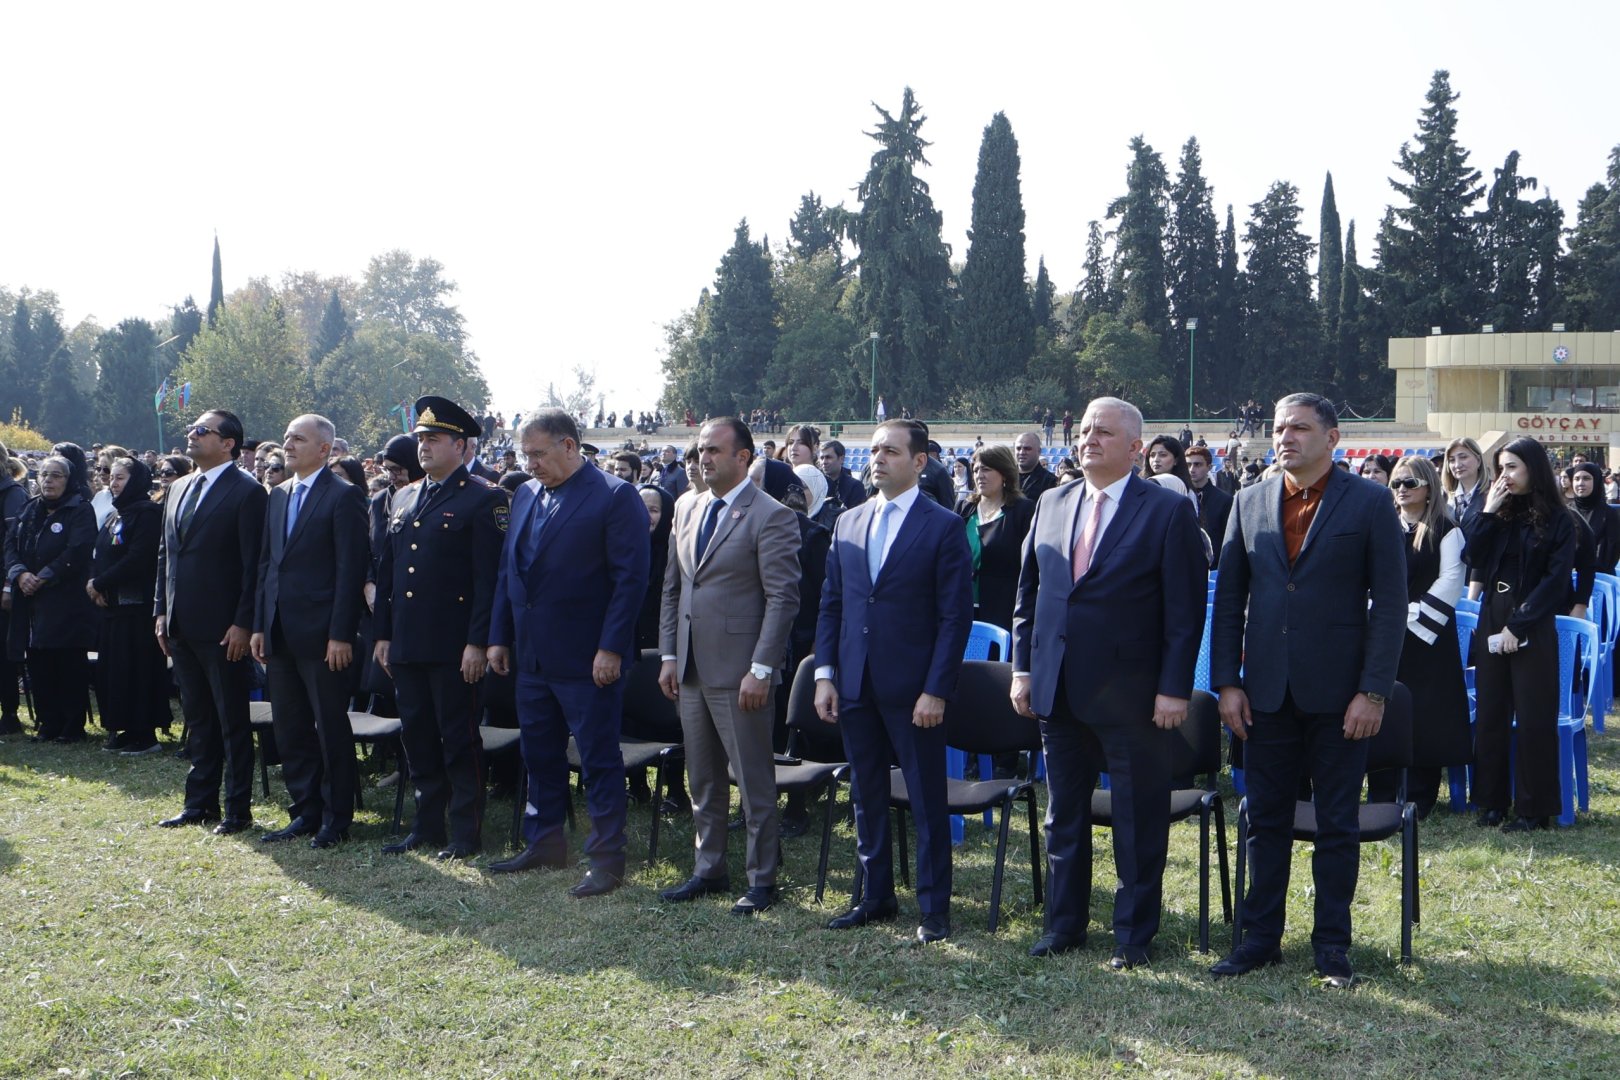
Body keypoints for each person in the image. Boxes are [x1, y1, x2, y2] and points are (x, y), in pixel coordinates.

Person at [1208, 393, 1406, 989]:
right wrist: (1226, 684)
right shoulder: (1249, 502)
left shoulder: (1370, 503)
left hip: (1341, 697)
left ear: (1333, 436)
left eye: (1298, 428)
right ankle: (1259, 940)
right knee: (1264, 819)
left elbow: (1391, 605)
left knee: (1336, 824)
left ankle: (1331, 948)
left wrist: (1373, 693)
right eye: (1278, 428)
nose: (1285, 437)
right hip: (1264, 694)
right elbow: (1230, 605)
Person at [1010, 399, 1204, 967]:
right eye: (1086, 429)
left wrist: (1174, 688)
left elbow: (1184, 612)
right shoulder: (1051, 501)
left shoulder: (1166, 512)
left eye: (1105, 432)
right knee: (1063, 813)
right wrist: (1023, 668)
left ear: (1136, 448)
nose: (1089, 438)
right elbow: (1028, 597)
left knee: (1137, 818)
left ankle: (1132, 935)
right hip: (1058, 688)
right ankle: (1063, 925)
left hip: (1134, 695)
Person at [815, 418, 973, 944]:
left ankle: (933, 909)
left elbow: (955, 619)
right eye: (874, 450)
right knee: (866, 795)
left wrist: (936, 689)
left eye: (891, 451)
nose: (878, 458)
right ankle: (874, 895)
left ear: (920, 461)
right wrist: (825, 674)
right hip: (855, 681)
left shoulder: (943, 525)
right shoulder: (849, 521)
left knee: (927, 800)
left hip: (914, 692)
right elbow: (832, 604)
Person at [485, 408, 648, 896]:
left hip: (588, 658)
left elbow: (629, 582)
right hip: (533, 655)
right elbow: (508, 573)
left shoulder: (615, 497)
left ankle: (606, 859)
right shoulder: (526, 495)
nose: (530, 464)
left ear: (570, 446)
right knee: (539, 753)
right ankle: (545, 841)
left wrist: (611, 648)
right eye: (524, 454)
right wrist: (499, 635)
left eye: (538, 453)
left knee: (597, 758)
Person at [656, 419, 799, 915]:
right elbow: (674, 589)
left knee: (753, 779)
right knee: (704, 779)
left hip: (742, 672)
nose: (703, 459)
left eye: (714, 450)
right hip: (692, 667)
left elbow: (782, 599)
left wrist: (762, 668)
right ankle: (708, 868)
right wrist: (670, 654)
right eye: (700, 450)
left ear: (743, 457)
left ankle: (763, 879)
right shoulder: (686, 507)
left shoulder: (771, 515)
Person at [373, 397, 507, 860]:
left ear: (461, 446)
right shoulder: (404, 495)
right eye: (421, 440)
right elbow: (389, 574)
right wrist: (384, 635)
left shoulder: (485, 498)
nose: (424, 448)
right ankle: (425, 825)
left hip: (454, 645)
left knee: (458, 740)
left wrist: (477, 641)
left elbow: (487, 581)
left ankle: (464, 832)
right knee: (418, 737)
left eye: (433, 440)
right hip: (408, 642)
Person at [251, 415, 369, 849]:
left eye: (298, 439)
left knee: (329, 726)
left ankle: (336, 817)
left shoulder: (344, 496)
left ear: (324, 448)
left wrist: (341, 634)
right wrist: (262, 625)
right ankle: (304, 811)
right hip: (280, 630)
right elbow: (268, 564)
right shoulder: (278, 494)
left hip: (323, 636)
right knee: (290, 726)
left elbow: (349, 570)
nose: (288, 445)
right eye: (285, 437)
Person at [155, 411, 269, 834]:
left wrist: (243, 623)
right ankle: (199, 803)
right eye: (193, 429)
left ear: (228, 443)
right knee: (198, 719)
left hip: (224, 629)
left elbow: (252, 565)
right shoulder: (180, 486)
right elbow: (166, 555)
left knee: (231, 720)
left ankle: (237, 809)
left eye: (202, 430)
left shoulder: (248, 491)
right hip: (181, 623)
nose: (192, 434)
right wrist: (161, 612)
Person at [1465, 437, 1576, 833]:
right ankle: (1490, 802)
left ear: (1532, 467)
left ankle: (1534, 809)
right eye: (1501, 467)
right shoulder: (1497, 510)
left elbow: (1556, 581)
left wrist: (1520, 624)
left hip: (1532, 620)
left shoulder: (1559, 519)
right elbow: (1470, 556)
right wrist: (1489, 512)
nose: (1505, 475)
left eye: (1512, 466)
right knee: (1491, 714)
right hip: (1492, 616)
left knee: (1533, 717)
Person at [1362, 456, 1470, 818]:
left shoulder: (1447, 528)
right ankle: (1381, 790)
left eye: (1410, 483)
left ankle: (1421, 795)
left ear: (1428, 487)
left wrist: (1413, 616)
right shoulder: (1380, 525)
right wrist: (1384, 613)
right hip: (1384, 633)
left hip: (1429, 638)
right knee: (1382, 706)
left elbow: (1452, 579)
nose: (1402, 490)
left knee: (1427, 713)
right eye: (1397, 484)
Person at [4, 454, 97, 742]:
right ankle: (48, 722)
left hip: (64, 600)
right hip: (30, 599)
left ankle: (71, 725)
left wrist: (43, 576)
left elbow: (77, 550)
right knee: (39, 661)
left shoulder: (79, 510)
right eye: (44, 475)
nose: (48, 481)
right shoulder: (30, 509)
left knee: (67, 663)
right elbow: (10, 545)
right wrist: (20, 574)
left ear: (68, 481)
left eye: (56, 475)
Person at [86, 457, 168, 754]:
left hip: (136, 607)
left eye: (120, 478)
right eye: (112, 477)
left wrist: (100, 583)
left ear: (136, 481)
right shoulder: (116, 514)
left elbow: (139, 558)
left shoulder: (147, 513)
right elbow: (99, 553)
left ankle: (144, 733)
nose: (113, 483)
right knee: (115, 671)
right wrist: (95, 581)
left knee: (137, 670)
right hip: (112, 608)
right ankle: (123, 727)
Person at [958, 445, 1035, 633]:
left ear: (1004, 473)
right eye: (975, 469)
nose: (979, 475)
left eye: (986, 469)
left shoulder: (1023, 511)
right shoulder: (964, 508)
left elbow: (1030, 566)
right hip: (961, 608)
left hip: (1003, 611)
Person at [0, 444, 29, 734]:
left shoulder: (12, 495)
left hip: (4, 583)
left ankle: (9, 714)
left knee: (3, 653)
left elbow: (16, 543)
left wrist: (10, 584)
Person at [635, 483, 674, 651]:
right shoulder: (618, 549)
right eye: (640, 508)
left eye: (654, 510)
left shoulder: (674, 554)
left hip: (661, 646)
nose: (645, 516)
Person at [1185, 446, 1233, 571]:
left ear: (1209, 467)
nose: (1192, 469)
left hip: (1214, 569)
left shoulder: (1225, 500)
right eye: (1188, 464)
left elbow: (1228, 540)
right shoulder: (1178, 496)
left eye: (1198, 465)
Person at [817, 440, 866, 514]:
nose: (824, 462)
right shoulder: (816, 484)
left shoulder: (855, 487)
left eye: (828, 457)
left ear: (841, 459)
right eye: (822, 458)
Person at [1015, 432, 1058, 501]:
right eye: (1018, 448)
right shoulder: (1004, 478)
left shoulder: (1051, 481)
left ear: (1039, 451)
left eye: (1027, 448)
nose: (1022, 452)